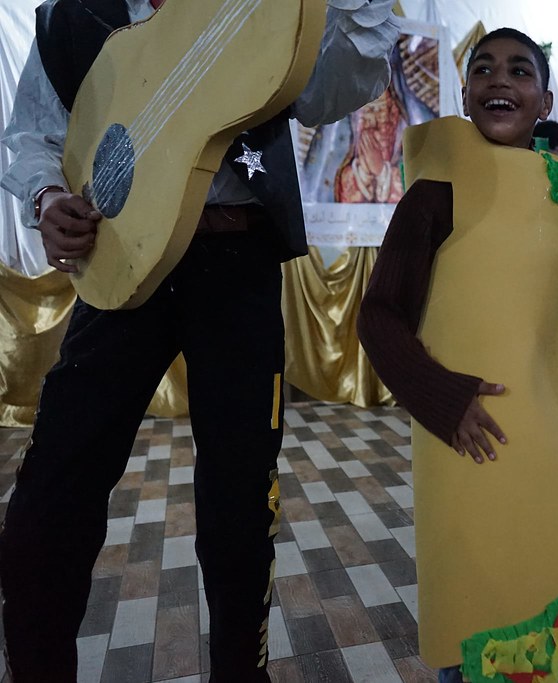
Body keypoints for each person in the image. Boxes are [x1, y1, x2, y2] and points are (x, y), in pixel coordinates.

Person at [0, 1, 399, 680]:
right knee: (53, 487)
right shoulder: (75, 14)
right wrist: (45, 198)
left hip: (235, 265)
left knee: (242, 497)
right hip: (119, 259)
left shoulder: (258, 8)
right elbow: (33, 133)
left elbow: (335, 90)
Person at [357, 28, 558, 683]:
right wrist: (442, 396)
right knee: (478, 608)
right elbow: (379, 316)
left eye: (519, 71)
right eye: (484, 69)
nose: (499, 80)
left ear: (544, 100)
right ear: (464, 95)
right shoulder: (434, 192)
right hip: (468, 440)